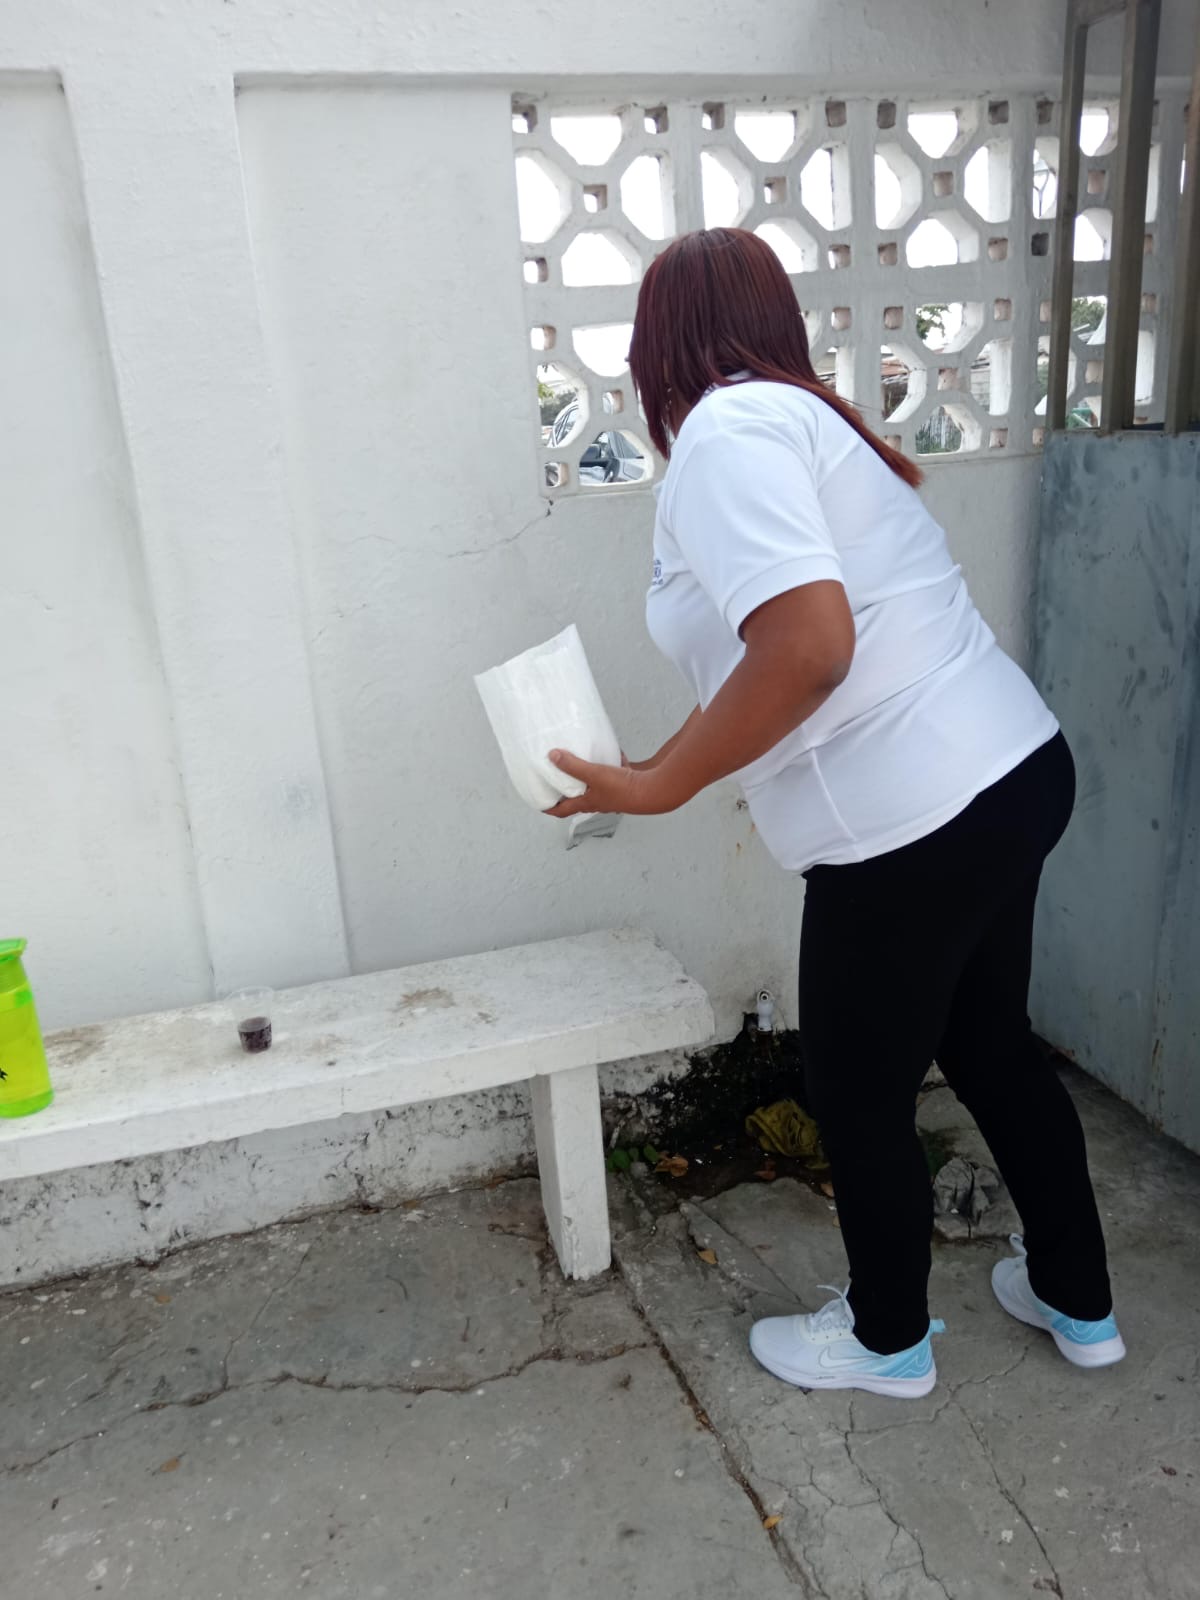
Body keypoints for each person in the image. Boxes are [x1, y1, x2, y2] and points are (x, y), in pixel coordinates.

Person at [546, 227, 1123, 1399]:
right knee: (989, 1046)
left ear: (657, 347)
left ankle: (886, 1337)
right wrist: (661, 759)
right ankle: (1079, 1297)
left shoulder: (727, 433)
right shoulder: (799, 421)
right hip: (1009, 772)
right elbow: (773, 653)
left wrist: (659, 784)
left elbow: (809, 647)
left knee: (857, 1092)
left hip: (910, 826)